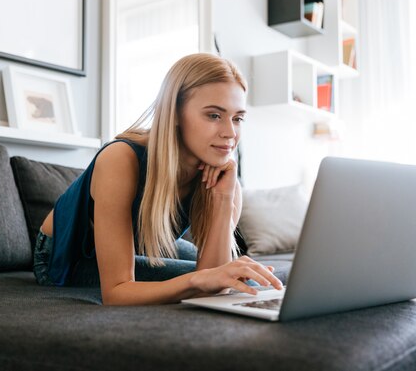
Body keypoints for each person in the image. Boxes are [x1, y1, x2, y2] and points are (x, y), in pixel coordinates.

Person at [33, 53, 283, 305]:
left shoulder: (223, 179)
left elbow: (215, 288)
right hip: (67, 257)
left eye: (237, 118)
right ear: (174, 113)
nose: (230, 133)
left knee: (238, 277)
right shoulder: (120, 159)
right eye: (214, 116)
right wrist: (198, 280)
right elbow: (116, 292)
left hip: (139, 247)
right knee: (237, 280)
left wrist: (223, 199)